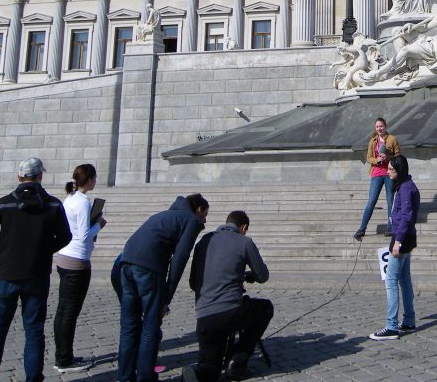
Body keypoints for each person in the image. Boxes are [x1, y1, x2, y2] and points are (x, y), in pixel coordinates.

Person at [0, 157, 72, 382]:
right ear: (40, 176)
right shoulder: (53, 204)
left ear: (19, 177)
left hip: (6, 274)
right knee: (34, 331)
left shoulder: (4, 204)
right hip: (37, 275)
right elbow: (65, 236)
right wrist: (44, 250)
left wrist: (0, 252)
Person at [118, 193, 209, 382]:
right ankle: (146, 378)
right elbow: (180, 258)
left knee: (129, 325)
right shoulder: (190, 220)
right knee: (150, 326)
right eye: (205, 215)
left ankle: (124, 377)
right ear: (199, 209)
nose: (205, 221)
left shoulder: (165, 215)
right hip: (149, 269)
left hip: (126, 264)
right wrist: (167, 296)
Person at [182, 210, 273, 382]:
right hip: (230, 312)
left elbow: (193, 283)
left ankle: (195, 373)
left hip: (204, 317)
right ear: (243, 227)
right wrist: (248, 275)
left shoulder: (203, 241)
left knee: (211, 370)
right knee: (265, 308)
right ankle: (237, 362)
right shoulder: (244, 242)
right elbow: (262, 276)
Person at [53, 164, 105, 372]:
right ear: (90, 179)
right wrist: (99, 224)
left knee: (63, 311)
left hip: (65, 257)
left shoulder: (71, 198)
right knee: (69, 313)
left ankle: (62, 355)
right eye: (95, 178)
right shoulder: (82, 202)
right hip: (77, 261)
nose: (96, 181)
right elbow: (83, 236)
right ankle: (64, 359)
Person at [369, 154, 420, 340]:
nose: (388, 172)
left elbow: (406, 216)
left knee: (390, 281)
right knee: (404, 280)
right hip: (407, 237)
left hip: (402, 238)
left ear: (400, 170)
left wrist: (397, 242)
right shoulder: (407, 185)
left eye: (391, 169)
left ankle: (391, 326)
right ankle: (409, 320)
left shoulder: (405, 188)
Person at [354, 118, 401, 240]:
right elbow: (369, 158)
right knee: (371, 201)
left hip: (389, 173)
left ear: (385, 126)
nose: (379, 129)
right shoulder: (372, 141)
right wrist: (377, 160)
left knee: (390, 201)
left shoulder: (392, 139)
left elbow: (398, 156)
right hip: (376, 173)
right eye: (377, 127)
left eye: (381, 126)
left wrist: (388, 157)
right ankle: (362, 228)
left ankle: (391, 227)